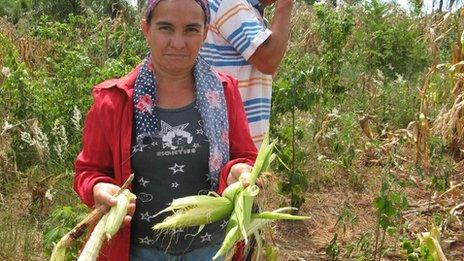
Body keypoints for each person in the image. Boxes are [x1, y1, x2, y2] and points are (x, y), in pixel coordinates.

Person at [73, 0, 258, 260]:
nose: (178, 43)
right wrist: (99, 188)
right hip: (139, 250)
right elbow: (89, 171)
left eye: (191, 30)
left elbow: (244, 156)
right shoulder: (114, 100)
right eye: (166, 28)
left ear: (205, 32)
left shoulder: (224, 93)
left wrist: (239, 171)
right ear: (146, 29)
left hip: (211, 249)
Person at [200, 0, 293, 148]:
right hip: (236, 149)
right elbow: (269, 59)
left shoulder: (247, 9)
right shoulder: (231, 4)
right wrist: (285, 4)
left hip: (233, 145)